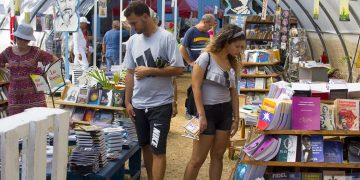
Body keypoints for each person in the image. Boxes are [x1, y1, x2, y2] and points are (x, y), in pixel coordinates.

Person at [123, 1, 184, 180]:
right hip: (138, 104)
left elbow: (179, 69)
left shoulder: (166, 38)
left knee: (158, 149)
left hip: (160, 104)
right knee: (145, 146)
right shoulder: (132, 41)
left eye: (134, 23)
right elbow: (129, 73)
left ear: (146, 16)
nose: (132, 27)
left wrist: (151, 70)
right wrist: (127, 101)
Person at [183, 24, 245, 180]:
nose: (239, 51)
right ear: (226, 41)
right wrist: (201, 115)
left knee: (217, 156)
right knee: (197, 159)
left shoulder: (232, 62)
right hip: (206, 112)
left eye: (242, 47)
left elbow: (233, 92)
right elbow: (196, 87)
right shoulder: (206, 57)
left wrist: (236, 118)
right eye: (237, 46)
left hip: (224, 112)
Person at [0, 23, 58, 115]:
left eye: (25, 40)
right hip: (15, 97)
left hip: (35, 95)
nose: (22, 42)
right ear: (16, 37)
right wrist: (6, 69)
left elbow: (55, 60)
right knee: (16, 123)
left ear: (29, 40)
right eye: (20, 38)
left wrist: (47, 74)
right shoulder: (8, 52)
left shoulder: (35, 52)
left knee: (38, 121)